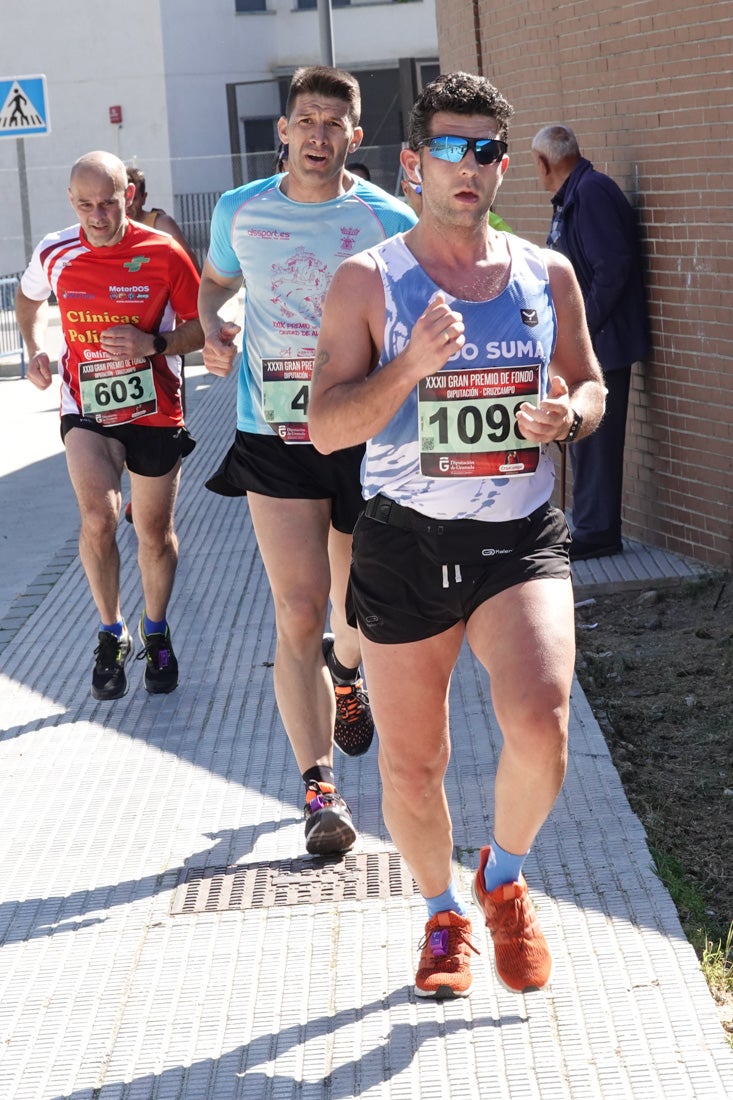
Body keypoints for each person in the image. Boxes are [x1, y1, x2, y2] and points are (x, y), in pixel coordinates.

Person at [308, 71, 606, 998]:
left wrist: (569, 417)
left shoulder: (544, 273)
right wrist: (410, 365)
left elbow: (589, 383)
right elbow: (325, 425)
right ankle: (442, 913)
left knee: (540, 720)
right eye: (448, 148)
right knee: (414, 760)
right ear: (412, 164)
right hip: (404, 540)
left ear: (503, 166)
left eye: (483, 151)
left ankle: (503, 880)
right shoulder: (369, 279)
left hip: (517, 533)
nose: (466, 167)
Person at [198, 66, 416, 856]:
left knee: (357, 614)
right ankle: (319, 787)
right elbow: (214, 282)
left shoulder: (388, 217)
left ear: (354, 137)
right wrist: (212, 328)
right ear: (282, 132)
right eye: (305, 120)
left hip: (362, 437)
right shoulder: (238, 211)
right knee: (296, 608)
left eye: (334, 123)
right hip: (274, 437)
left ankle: (347, 671)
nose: (318, 134)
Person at [16, 150, 203, 700]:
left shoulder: (163, 253)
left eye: (109, 203)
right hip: (86, 407)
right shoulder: (55, 250)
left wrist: (155, 344)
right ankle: (110, 632)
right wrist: (33, 348)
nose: (98, 216)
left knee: (153, 533)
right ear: (72, 202)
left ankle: (156, 628)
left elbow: (201, 325)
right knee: (99, 516)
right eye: (86, 205)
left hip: (155, 408)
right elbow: (28, 299)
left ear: (130, 197)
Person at [531, 124, 648, 560]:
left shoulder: (592, 193)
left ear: (544, 163)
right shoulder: (574, 195)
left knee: (594, 437)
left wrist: (580, 329)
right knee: (582, 436)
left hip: (604, 342)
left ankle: (598, 532)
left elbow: (613, 268)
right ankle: (589, 526)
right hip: (591, 340)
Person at [126, 166, 201, 272]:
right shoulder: (107, 229)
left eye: (133, 199)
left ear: (144, 198)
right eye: (124, 199)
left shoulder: (161, 223)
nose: (127, 205)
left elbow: (189, 263)